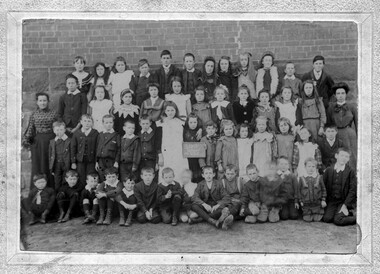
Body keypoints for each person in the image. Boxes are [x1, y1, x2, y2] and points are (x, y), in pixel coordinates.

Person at [23, 92, 59, 188]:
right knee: (38, 167)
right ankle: (37, 191)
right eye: (40, 101)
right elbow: (30, 130)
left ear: (48, 101)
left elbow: (59, 128)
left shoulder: (54, 114)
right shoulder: (34, 115)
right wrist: (28, 147)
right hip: (38, 144)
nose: (43, 103)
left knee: (50, 166)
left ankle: (50, 191)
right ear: (37, 102)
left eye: (44, 100)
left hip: (51, 142)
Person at [326, 82, 357, 169]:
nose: (340, 96)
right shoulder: (331, 108)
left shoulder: (352, 107)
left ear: (346, 94)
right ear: (335, 95)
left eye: (342, 93)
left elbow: (357, 123)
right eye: (338, 93)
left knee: (351, 154)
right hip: (336, 133)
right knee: (337, 154)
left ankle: (351, 174)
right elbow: (328, 123)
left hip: (349, 134)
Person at [322, 148, 357, 226]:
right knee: (327, 219)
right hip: (332, 200)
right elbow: (323, 186)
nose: (343, 158)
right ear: (336, 156)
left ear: (348, 159)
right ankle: (342, 213)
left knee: (338, 220)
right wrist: (323, 200)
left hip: (343, 201)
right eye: (342, 155)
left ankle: (357, 218)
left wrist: (345, 205)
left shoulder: (350, 171)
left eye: (346, 156)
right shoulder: (329, 170)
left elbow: (352, 190)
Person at [157, 101, 189, 183]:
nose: (170, 113)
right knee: (167, 170)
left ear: (176, 111)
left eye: (172, 110)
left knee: (180, 170)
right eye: (168, 110)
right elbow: (158, 140)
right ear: (164, 111)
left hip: (179, 151)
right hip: (166, 152)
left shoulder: (181, 122)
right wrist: (160, 155)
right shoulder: (160, 123)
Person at [70, 114, 99, 190]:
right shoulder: (77, 133)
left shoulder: (95, 133)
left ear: (92, 123)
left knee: (91, 177)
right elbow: (73, 148)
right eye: (85, 121)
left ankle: (91, 195)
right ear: (81, 122)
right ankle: (82, 196)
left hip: (91, 160)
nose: (87, 123)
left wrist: (97, 161)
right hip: (80, 160)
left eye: (89, 121)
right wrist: (73, 161)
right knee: (81, 177)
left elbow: (97, 148)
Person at [295, 157, 327, 222]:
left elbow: (323, 189)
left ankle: (316, 213)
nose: (311, 168)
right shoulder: (301, 178)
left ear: (316, 168)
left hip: (317, 203)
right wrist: (300, 201)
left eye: (313, 166)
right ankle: (308, 213)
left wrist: (323, 200)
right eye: (309, 166)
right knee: (308, 219)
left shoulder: (319, 177)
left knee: (317, 219)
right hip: (306, 204)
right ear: (305, 167)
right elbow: (299, 191)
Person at [95, 114, 121, 181]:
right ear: (103, 123)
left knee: (111, 177)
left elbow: (119, 149)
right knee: (101, 177)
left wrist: (116, 161)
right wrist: (96, 161)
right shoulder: (100, 135)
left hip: (111, 161)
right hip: (101, 161)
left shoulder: (116, 135)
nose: (108, 124)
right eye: (106, 123)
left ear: (113, 123)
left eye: (110, 122)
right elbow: (97, 148)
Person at [49, 121, 71, 191]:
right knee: (57, 181)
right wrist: (51, 167)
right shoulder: (52, 142)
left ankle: (64, 195)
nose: (59, 132)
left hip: (66, 164)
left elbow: (72, 153)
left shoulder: (69, 141)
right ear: (54, 131)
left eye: (61, 130)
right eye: (57, 130)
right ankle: (58, 196)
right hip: (56, 165)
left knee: (66, 180)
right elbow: (50, 155)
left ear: (64, 130)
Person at [183, 113, 203, 182]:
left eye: (195, 122)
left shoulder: (199, 131)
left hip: (198, 156)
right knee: (191, 170)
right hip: (189, 156)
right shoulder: (185, 131)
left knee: (198, 171)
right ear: (187, 122)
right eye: (191, 122)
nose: (193, 124)